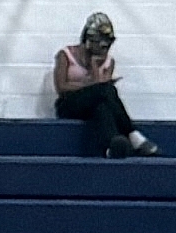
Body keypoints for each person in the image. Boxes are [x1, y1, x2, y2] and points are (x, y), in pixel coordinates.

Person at [53, 12, 159, 158]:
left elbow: (100, 90)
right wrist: (91, 85)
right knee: (106, 89)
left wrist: (95, 66)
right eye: (102, 45)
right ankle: (131, 132)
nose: (105, 50)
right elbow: (61, 88)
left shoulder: (108, 61)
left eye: (108, 46)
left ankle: (112, 146)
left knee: (102, 106)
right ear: (89, 41)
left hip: (92, 106)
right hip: (70, 103)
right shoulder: (65, 55)